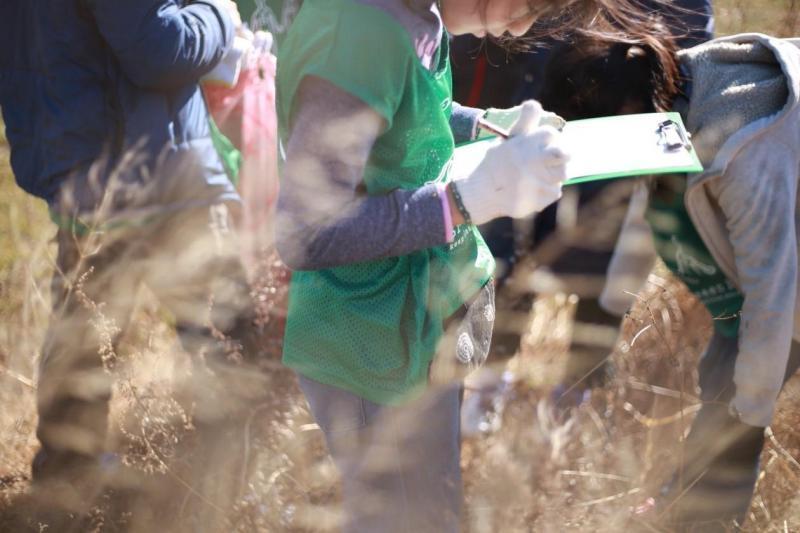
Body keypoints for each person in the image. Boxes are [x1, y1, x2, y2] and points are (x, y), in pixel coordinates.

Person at [274, 0, 653, 530]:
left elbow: (408, 113)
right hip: (372, 349)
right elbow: (304, 235)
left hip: (418, 330)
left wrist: (488, 125)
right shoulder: (356, 37)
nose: (521, 27)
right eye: (526, 4)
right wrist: (463, 200)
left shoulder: (418, 13)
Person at [0, 0, 267, 523]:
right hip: (160, 174)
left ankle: (61, 503)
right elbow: (158, 48)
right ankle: (233, 507)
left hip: (80, 171)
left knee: (81, 350)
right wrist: (218, 16)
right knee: (230, 352)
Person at [539, 27, 800, 530]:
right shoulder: (662, 112)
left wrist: (746, 418)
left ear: (621, 116)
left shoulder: (741, 149)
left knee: (730, 431)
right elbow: (649, 221)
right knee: (718, 415)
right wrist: (594, 345)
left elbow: (774, 297)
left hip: (784, 299)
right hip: (754, 307)